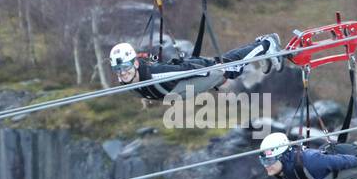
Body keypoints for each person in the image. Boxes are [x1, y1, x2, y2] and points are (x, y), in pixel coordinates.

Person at [109, 34, 283, 101]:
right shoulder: (127, 81)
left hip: (194, 74)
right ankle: (260, 47)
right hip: (181, 88)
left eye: (126, 67)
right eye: (118, 69)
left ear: (135, 63)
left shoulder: (156, 75)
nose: (123, 72)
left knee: (230, 69)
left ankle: (267, 45)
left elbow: (185, 70)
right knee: (228, 64)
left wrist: (212, 70)